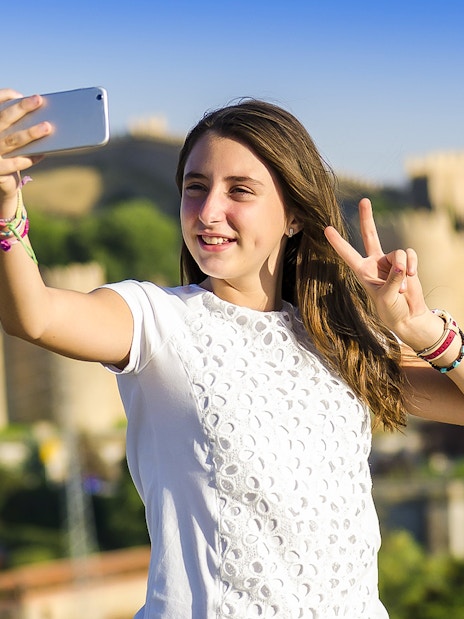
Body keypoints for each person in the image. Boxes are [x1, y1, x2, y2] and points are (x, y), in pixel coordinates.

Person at [0, 89, 463, 619]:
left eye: (239, 190)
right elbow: (33, 316)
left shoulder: (343, 346)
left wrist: (422, 331)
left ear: (293, 216)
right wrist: (6, 209)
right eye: (194, 189)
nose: (208, 211)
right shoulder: (156, 322)